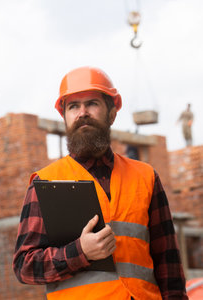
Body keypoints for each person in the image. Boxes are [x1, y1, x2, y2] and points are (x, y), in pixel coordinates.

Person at [13, 66, 188, 299]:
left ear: (112, 113)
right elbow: (24, 266)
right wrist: (80, 252)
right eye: (73, 106)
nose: (82, 112)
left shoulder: (146, 177)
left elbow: (170, 267)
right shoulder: (45, 182)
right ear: (64, 117)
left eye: (92, 104)